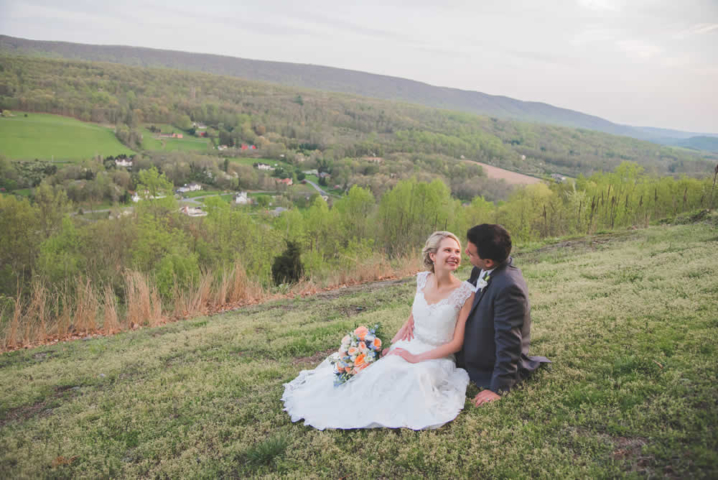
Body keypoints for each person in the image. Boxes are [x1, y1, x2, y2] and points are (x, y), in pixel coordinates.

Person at [282, 231, 475, 430]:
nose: (455, 255)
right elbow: (413, 318)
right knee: (381, 371)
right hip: (410, 344)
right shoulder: (423, 280)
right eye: (448, 250)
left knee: (413, 377)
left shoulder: (465, 292)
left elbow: (456, 343)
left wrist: (417, 358)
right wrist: (391, 346)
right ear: (433, 255)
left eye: (458, 251)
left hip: (436, 356)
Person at [458, 224, 550, 406]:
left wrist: (498, 388)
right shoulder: (480, 269)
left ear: (489, 262)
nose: (466, 253)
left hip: (485, 365)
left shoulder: (509, 287)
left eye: (471, 253)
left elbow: (509, 341)